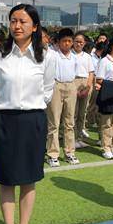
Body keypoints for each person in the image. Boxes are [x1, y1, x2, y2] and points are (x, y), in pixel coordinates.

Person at [0, 4, 55, 224]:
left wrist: (31, 108)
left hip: (32, 120)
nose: (17, 26)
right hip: (5, 119)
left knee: (28, 178)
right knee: (6, 178)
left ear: (34, 26)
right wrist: (5, 105)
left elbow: (48, 90)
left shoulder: (46, 56)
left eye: (23, 21)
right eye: (13, 21)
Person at [46, 28, 79, 166]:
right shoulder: (53, 55)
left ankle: (69, 152)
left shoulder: (74, 57)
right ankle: (53, 154)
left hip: (71, 86)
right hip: (56, 85)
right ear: (58, 42)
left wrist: (74, 87)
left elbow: (75, 73)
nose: (67, 43)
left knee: (69, 122)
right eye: (64, 41)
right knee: (54, 122)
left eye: (69, 41)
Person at [72, 32, 95, 147]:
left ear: (84, 43)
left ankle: (79, 137)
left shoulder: (87, 56)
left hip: (85, 82)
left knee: (82, 113)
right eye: (76, 41)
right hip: (73, 82)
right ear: (73, 41)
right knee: (73, 113)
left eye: (81, 42)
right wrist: (73, 88)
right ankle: (72, 139)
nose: (79, 44)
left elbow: (91, 73)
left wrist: (88, 87)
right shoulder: (69, 55)